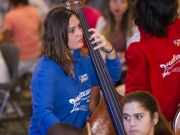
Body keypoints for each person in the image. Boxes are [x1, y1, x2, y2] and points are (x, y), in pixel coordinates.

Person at [28, 7, 121, 135]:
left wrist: (110, 51)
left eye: (79, 27)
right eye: (72, 30)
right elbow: (43, 113)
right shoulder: (46, 71)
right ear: (58, 35)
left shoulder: (82, 60)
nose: (80, 33)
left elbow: (111, 78)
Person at [125, 0, 180, 123]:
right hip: (163, 120)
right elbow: (134, 94)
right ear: (157, 15)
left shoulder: (174, 24)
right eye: (171, 12)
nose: (176, 14)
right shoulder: (137, 47)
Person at [96, 0, 136, 86]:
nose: (117, 5)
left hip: (126, 69)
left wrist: (123, 55)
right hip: (105, 67)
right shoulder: (102, 20)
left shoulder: (133, 24)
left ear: (128, 4)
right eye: (114, 1)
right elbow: (96, 46)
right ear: (108, 3)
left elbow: (135, 50)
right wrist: (112, 55)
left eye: (122, 2)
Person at [0, 0, 42, 77]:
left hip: (20, 60)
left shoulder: (10, 16)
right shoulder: (34, 11)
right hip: (36, 57)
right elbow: (38, 31)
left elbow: (5, 41)